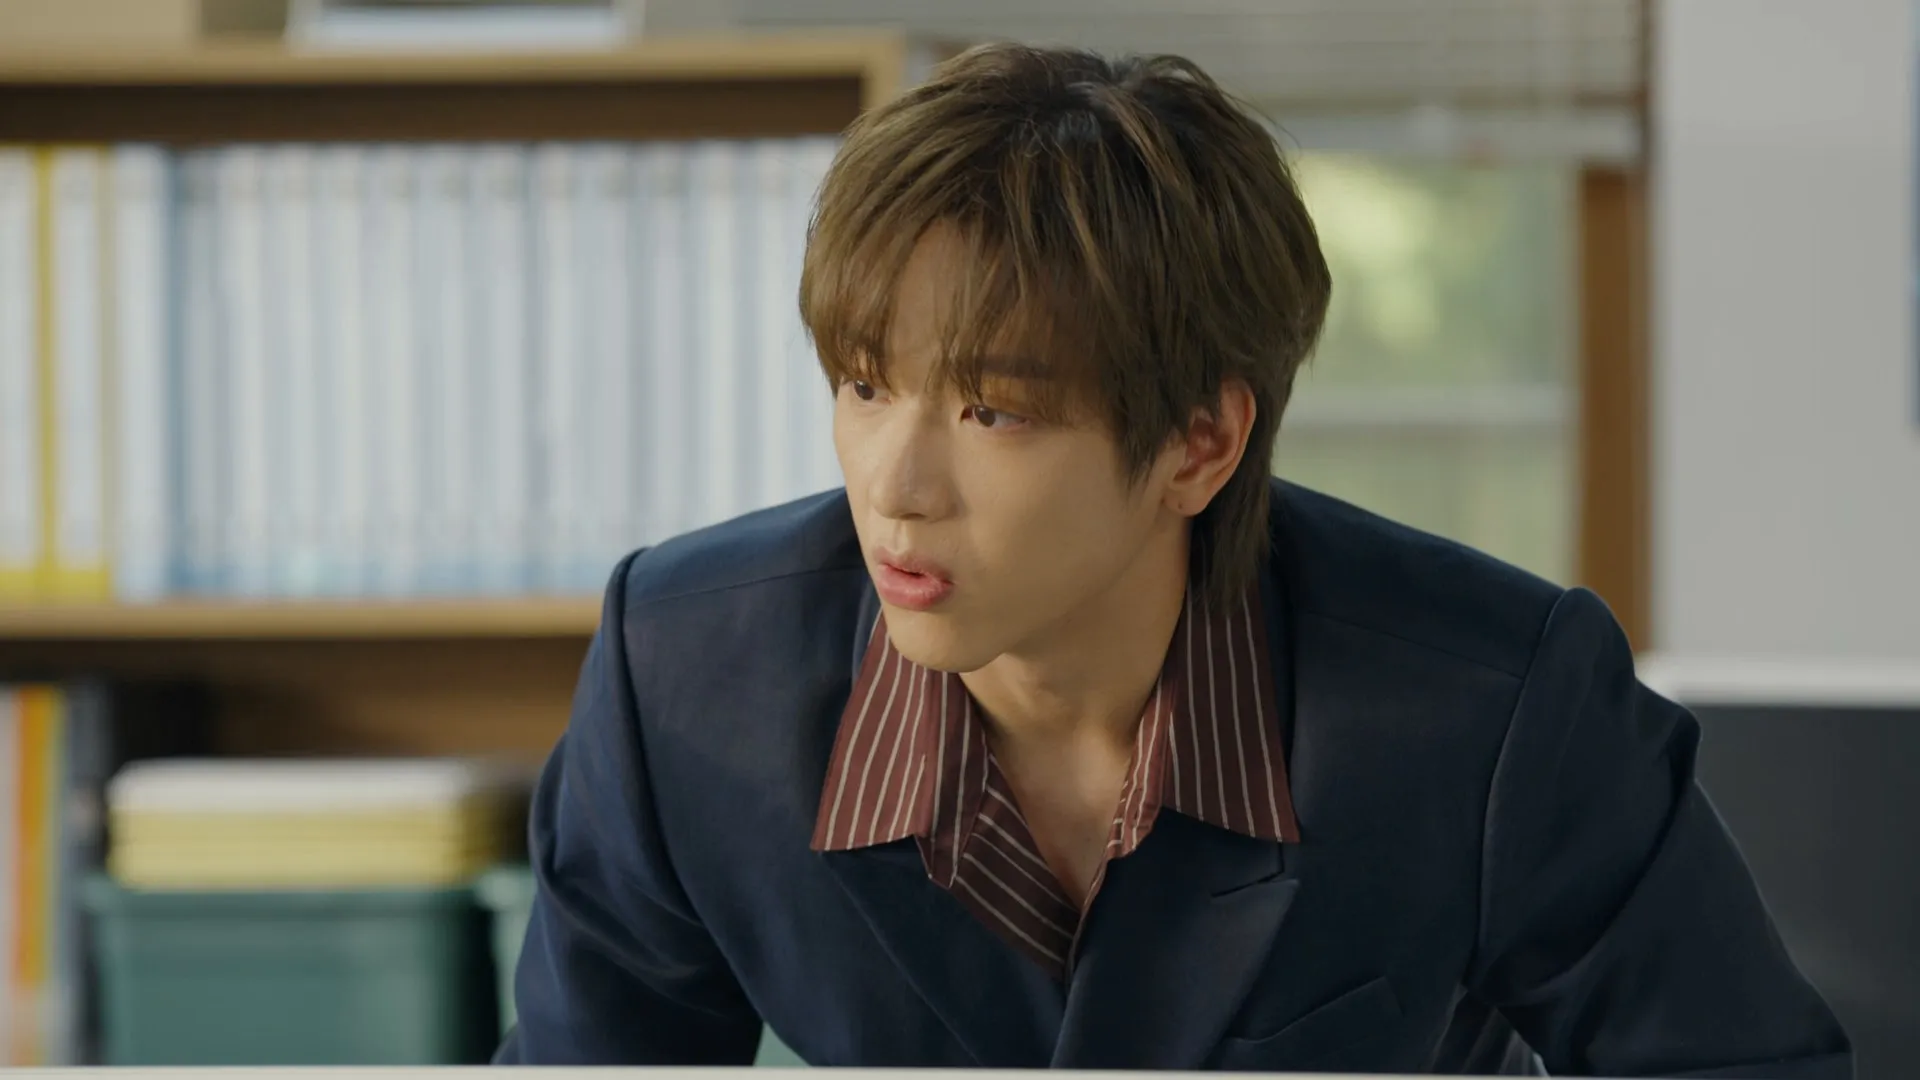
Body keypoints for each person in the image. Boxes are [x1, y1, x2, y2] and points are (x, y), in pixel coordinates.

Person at [494, 42, 1851, 1076]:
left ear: (1200, 443)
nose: (895, 488)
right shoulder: (685, 680)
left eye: (993, 412)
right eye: (863, 385)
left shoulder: (1495, 706)